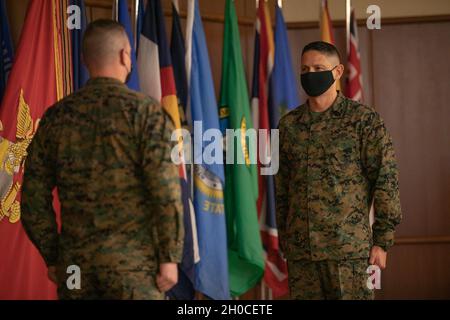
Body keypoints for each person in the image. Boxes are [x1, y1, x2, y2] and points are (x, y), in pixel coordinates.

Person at [20, 19, 184, 299]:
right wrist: (169, 257)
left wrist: (53, 257)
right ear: (125, 55)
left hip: (75, 271)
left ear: (84, 59)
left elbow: (32, 199)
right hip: (135, 272)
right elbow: (166, 190)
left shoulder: (56, 117)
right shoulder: (146, 115)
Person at [276, 41, 402, 300]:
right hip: (302, 255)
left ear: (337, 71)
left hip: (349, 253)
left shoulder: (364, 121)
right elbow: (282, 187)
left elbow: (386, 180)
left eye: (319, 67)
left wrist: (382, 240)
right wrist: (286, 240)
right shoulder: (289, 125)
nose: (311, 74)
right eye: (305, 68)